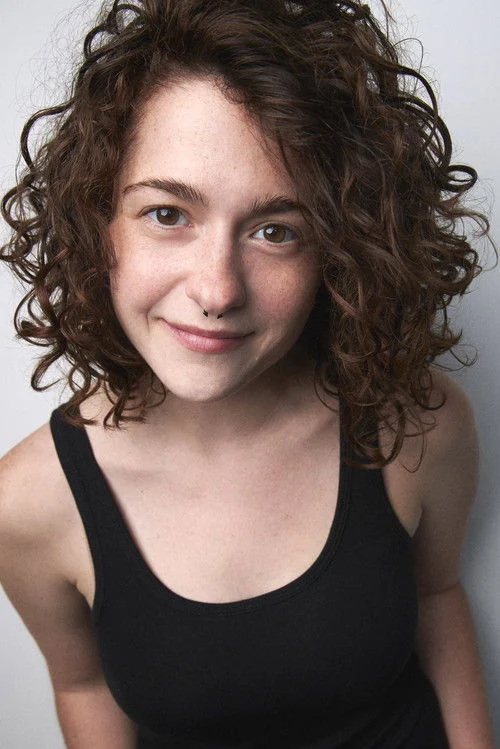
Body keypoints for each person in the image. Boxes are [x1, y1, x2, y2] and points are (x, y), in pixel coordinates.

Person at [0, 0, 496, 747]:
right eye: (168, 214)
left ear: (338, 249)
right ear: (97, 223)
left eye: (275, 230)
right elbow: (84, 684)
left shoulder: (417, 422)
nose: (217, 289)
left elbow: (436, 596)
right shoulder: (28, 504)